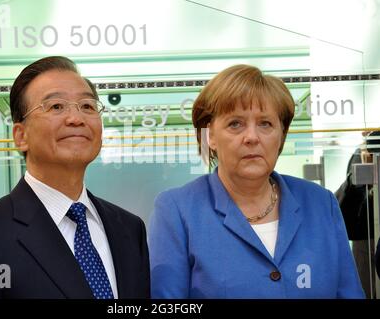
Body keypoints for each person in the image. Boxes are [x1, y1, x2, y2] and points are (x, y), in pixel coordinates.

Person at [0, 56, 150, 299]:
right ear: (20, 136)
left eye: (87, 106)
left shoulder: (129, 229)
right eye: (56, 106)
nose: (76, 118)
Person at [148, 64, 364, 298]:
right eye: (235, 124)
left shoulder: (321, 203)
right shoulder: (178, 211)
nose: (252, 137)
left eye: (265, 124)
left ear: (281, 134)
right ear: (209, 136)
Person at [335, 130, 380, 298]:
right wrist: (361, 178)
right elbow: (348, 219)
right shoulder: (366, 148)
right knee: (364, 290)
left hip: (366, 236)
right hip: (366, 238)